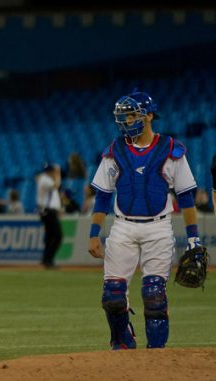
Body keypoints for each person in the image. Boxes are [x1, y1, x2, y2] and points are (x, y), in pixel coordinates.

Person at [88, 91, 201, 350]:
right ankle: (123, 344)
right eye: (124, 117)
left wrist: (194, 240)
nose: (125, 122)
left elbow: (186, 199)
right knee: (113, 295)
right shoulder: (114, 150)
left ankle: (156, 357)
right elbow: (102, 197)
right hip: (123, 226)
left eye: (130, 116)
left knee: (154, 294)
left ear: (149, 116)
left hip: (158, 227)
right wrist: (94, 233)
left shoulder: (172, 150)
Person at [36, 163, 62, 269]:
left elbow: (53, 195)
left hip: (49, 211)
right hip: (48, 211)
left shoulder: (45, 179)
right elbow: (56, 185)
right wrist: (58, 173)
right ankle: (48, 260)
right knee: (57, 236)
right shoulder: (44, 179)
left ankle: (46, 260)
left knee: (51, 236)